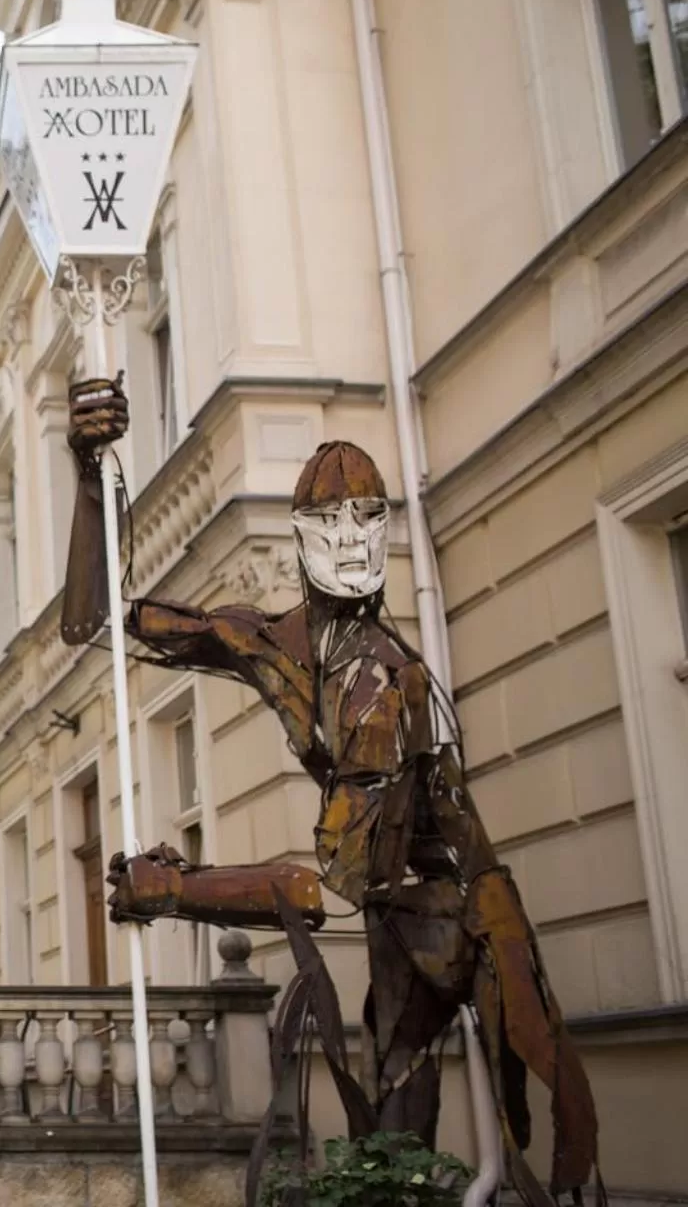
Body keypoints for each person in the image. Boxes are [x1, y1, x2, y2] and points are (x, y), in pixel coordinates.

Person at [61, 376, 596, 1203]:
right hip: (396, 909)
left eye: (370, 519)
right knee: (388, 1149)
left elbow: (330, 892)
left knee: (475, 1152)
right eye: (329, 520)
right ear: (299, 534)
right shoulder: (268, 642)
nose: (352, 539)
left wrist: (176, 889)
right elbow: (96, 624)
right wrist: (91, 479)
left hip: (460, 917)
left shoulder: (384, 682)